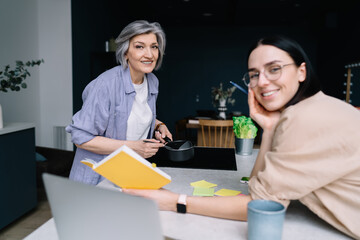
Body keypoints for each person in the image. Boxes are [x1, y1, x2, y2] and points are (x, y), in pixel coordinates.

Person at [124, 35, 360, 239]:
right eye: (254, 74)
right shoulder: (316, 107)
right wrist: (268, 129)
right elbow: (257, 190)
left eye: (274, 69)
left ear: (301, 71)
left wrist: (174, 201)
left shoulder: (303, 118)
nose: (263, 81)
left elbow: (257, 204)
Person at [66, 20, 172, 185]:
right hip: (97, 181)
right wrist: (134, 147)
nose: (150, 54)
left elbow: (132, 114)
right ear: (125, 53)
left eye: (154, 46)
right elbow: (81, 137)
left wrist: (159, 125)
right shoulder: (106, 84)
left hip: (130, 175)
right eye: (139, 46)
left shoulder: (152, 81)